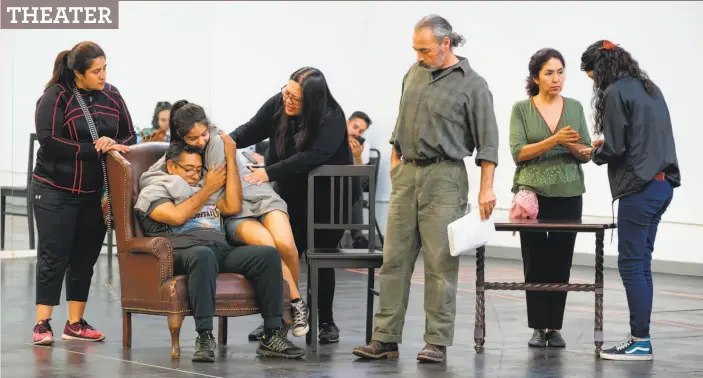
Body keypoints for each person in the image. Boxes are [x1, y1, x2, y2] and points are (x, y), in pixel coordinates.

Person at [353, 15, 499, 363]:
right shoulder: (414, 73)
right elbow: (402, 122)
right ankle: (385, 339)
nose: (419, 56)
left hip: (445, 177)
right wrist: (395, 162)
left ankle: (436, 341)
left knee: (439, 263)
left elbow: (488, 143)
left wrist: (486, 189)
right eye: (416, 49)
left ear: (446, 44)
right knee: (393, 260)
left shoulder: (473, 85)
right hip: (408, 174)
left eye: (425, 50)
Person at [135, 142, 306, 362]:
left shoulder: (206, 186)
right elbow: (175, 217)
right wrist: (207, 189)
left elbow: (233, 207)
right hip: (183, 251)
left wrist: (228, 163)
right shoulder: (155, 190)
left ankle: (271, 335)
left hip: (220, 248)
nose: (194, 176)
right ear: (171, 165)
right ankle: (204, 336)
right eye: (188, 169)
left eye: (198, 170)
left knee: (268, 254)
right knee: (203, 254)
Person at [163, 100, 309, 339]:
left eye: (203, 133)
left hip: (258, 196)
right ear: (181, 138)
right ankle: (293, 304)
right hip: (236, 211)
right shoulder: (182, 152)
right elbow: (229, 204)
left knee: (288, 247)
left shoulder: (217, 141)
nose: (202, 141)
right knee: (268, 246)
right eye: (194, 139)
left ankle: (291, 306)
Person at [230, 66, 355, 345]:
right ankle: (276, 321)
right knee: (281, 255)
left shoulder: (331, 116)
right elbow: (251, 129)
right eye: (287, 92)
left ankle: (326, 322)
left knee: (321, 258)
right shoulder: (279, 102)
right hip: (291, 194)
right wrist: (222, 142)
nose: (288, 100)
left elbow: (314, 155)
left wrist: (269, 171)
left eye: (296, 99)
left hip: (328, 200)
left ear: (311, 102)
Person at [578, 40, 680, 361]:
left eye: (594, 77)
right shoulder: (650, 88)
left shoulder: (614, 92)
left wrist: (595, 151)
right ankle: (641, 338)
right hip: (662, 186)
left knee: (630, 264)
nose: (596, 84)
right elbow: (641, 138)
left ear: (602, 69)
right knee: (642, 263)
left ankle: (639, 342)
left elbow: (616, 149)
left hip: (639, 189)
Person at [31, 41, 136, 345]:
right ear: (78, 73)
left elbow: (129, 134)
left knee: (84, 258)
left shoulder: (112, 95)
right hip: (54, 189)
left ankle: (74, 324)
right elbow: (48, 141)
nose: (103, 75)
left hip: (95, 192)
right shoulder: (56, 96)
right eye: (96, 71)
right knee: (54, 256)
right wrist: (93, 150)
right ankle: (42, 322)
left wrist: (113, 143)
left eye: (105, 68)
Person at [509, 48, 592, 348]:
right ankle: (537, 326)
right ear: (535, 77)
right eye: (549, 73)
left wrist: (581, 147)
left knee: (561, 261)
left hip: (568, 194)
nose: (556, 79)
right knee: (534, 261)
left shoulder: (575, 107)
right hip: (532, 195)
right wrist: (554, 140)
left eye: (560, 72)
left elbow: (584, 155)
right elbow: (518, 152)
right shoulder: (522, 109)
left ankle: (554, 327)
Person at [347, 111, 373, 248]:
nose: (357, 133)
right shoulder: (332, 139)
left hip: (350, 185)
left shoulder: (363, 147)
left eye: (361, 131)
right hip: (331, 182)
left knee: (356, 188)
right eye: (355, 127)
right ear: (347, 123)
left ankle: (358, 237)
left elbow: (363, 177)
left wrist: (357, 157)